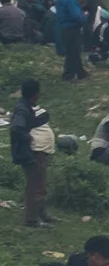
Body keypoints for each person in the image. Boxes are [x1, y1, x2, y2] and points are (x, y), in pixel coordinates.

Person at [11, 79, 54, 228]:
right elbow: (17, 128)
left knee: (40, 185)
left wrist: (38, 121)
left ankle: (41, 214)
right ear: (35, 94)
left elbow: (27, 124)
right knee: (35, 186)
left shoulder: (26, 107)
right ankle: (32, 220)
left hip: (34, 152)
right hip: (31, 152)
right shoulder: (22, 109)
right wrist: (28, 137)